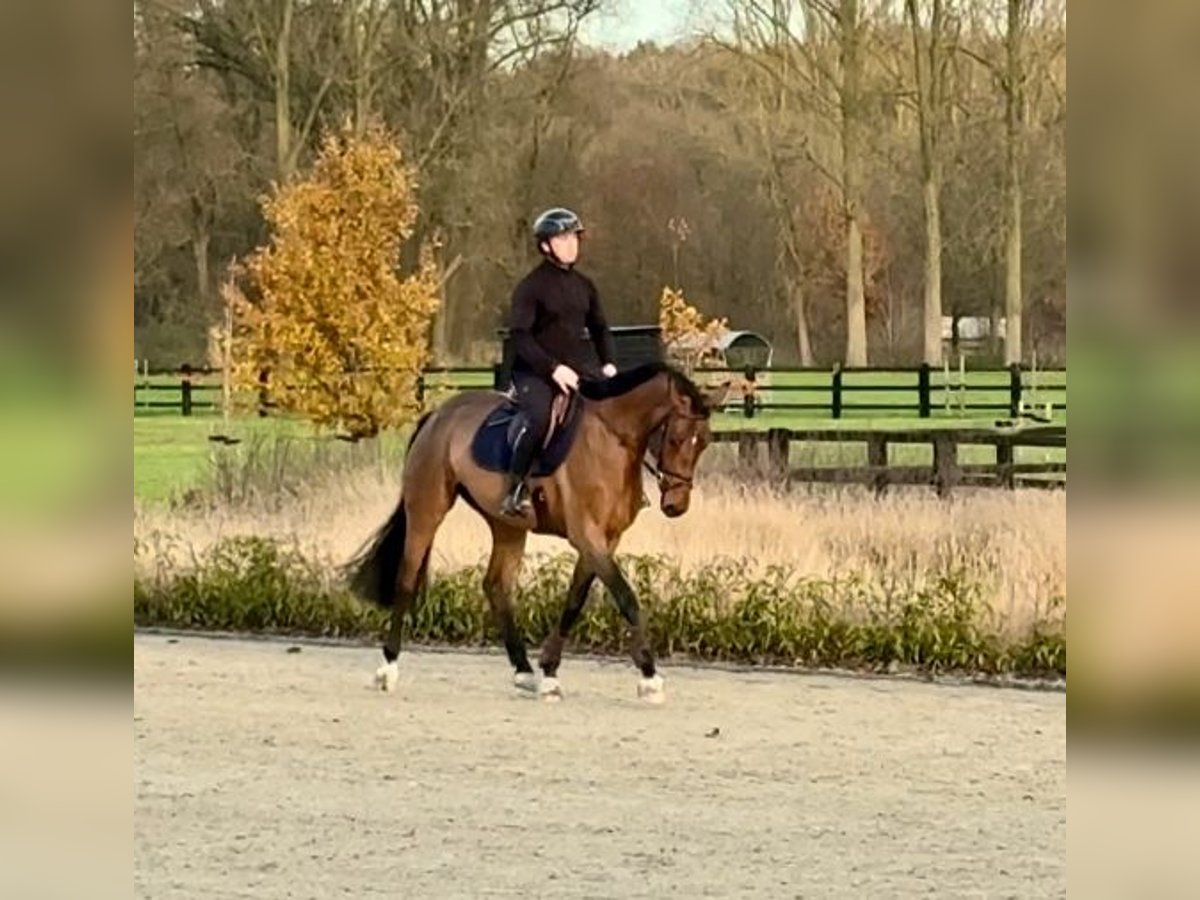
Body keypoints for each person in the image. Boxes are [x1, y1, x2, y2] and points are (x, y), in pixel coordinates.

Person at [500, 207, 618, 517]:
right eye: (563, 238)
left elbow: (600, 327)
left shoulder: (584, 285)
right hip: (534, 373)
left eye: (574, 237)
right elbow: (520, 337)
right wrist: (552, 368)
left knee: (617, 409)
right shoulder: (531, 287)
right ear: (545, 246)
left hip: (577, 368)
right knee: (539, 418)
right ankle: (515, 489)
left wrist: (608, 363)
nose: (571, 244)